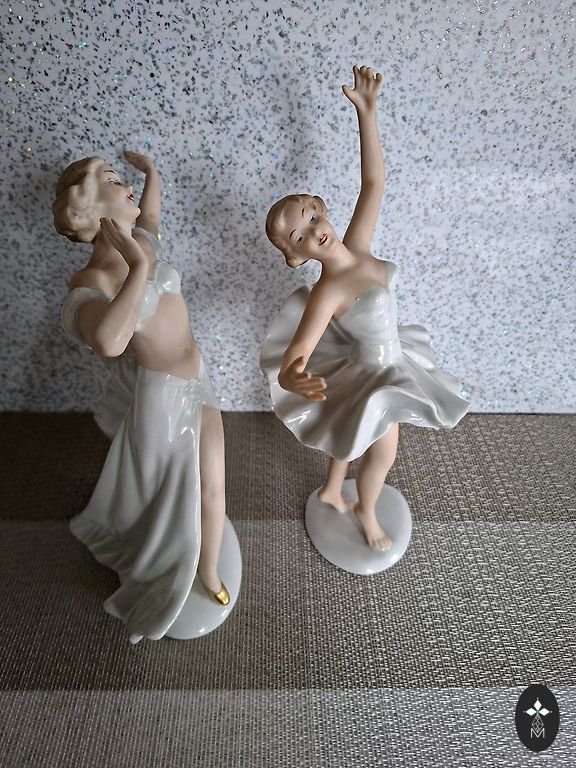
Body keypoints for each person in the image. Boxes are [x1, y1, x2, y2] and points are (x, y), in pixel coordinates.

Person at [260, 66, 470, 551]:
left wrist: (367, 115)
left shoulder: (358, 244)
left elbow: (374, 182)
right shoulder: (327, 293)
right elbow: (296, 355)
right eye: (299, 236)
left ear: (323, 210)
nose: (314, 231)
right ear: (297, 256)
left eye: (313, 217)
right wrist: (292, 378)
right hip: (375, 373)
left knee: (351, 430)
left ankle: (332, 490)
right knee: (381, 451)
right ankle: (366, 511)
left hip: (394, 357)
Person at [54, 150, 230, 643]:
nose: (127, 186)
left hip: (199, 377)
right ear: (92, 205)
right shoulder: (91, 283)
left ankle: (209, 567)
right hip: (165, 401)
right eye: (114, 181)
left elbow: (149, 215)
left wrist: (152, 173)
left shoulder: (142, 243)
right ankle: (173, 565)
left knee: (214, 483)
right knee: (170, 494)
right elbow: (109, 340)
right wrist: (134, 267)